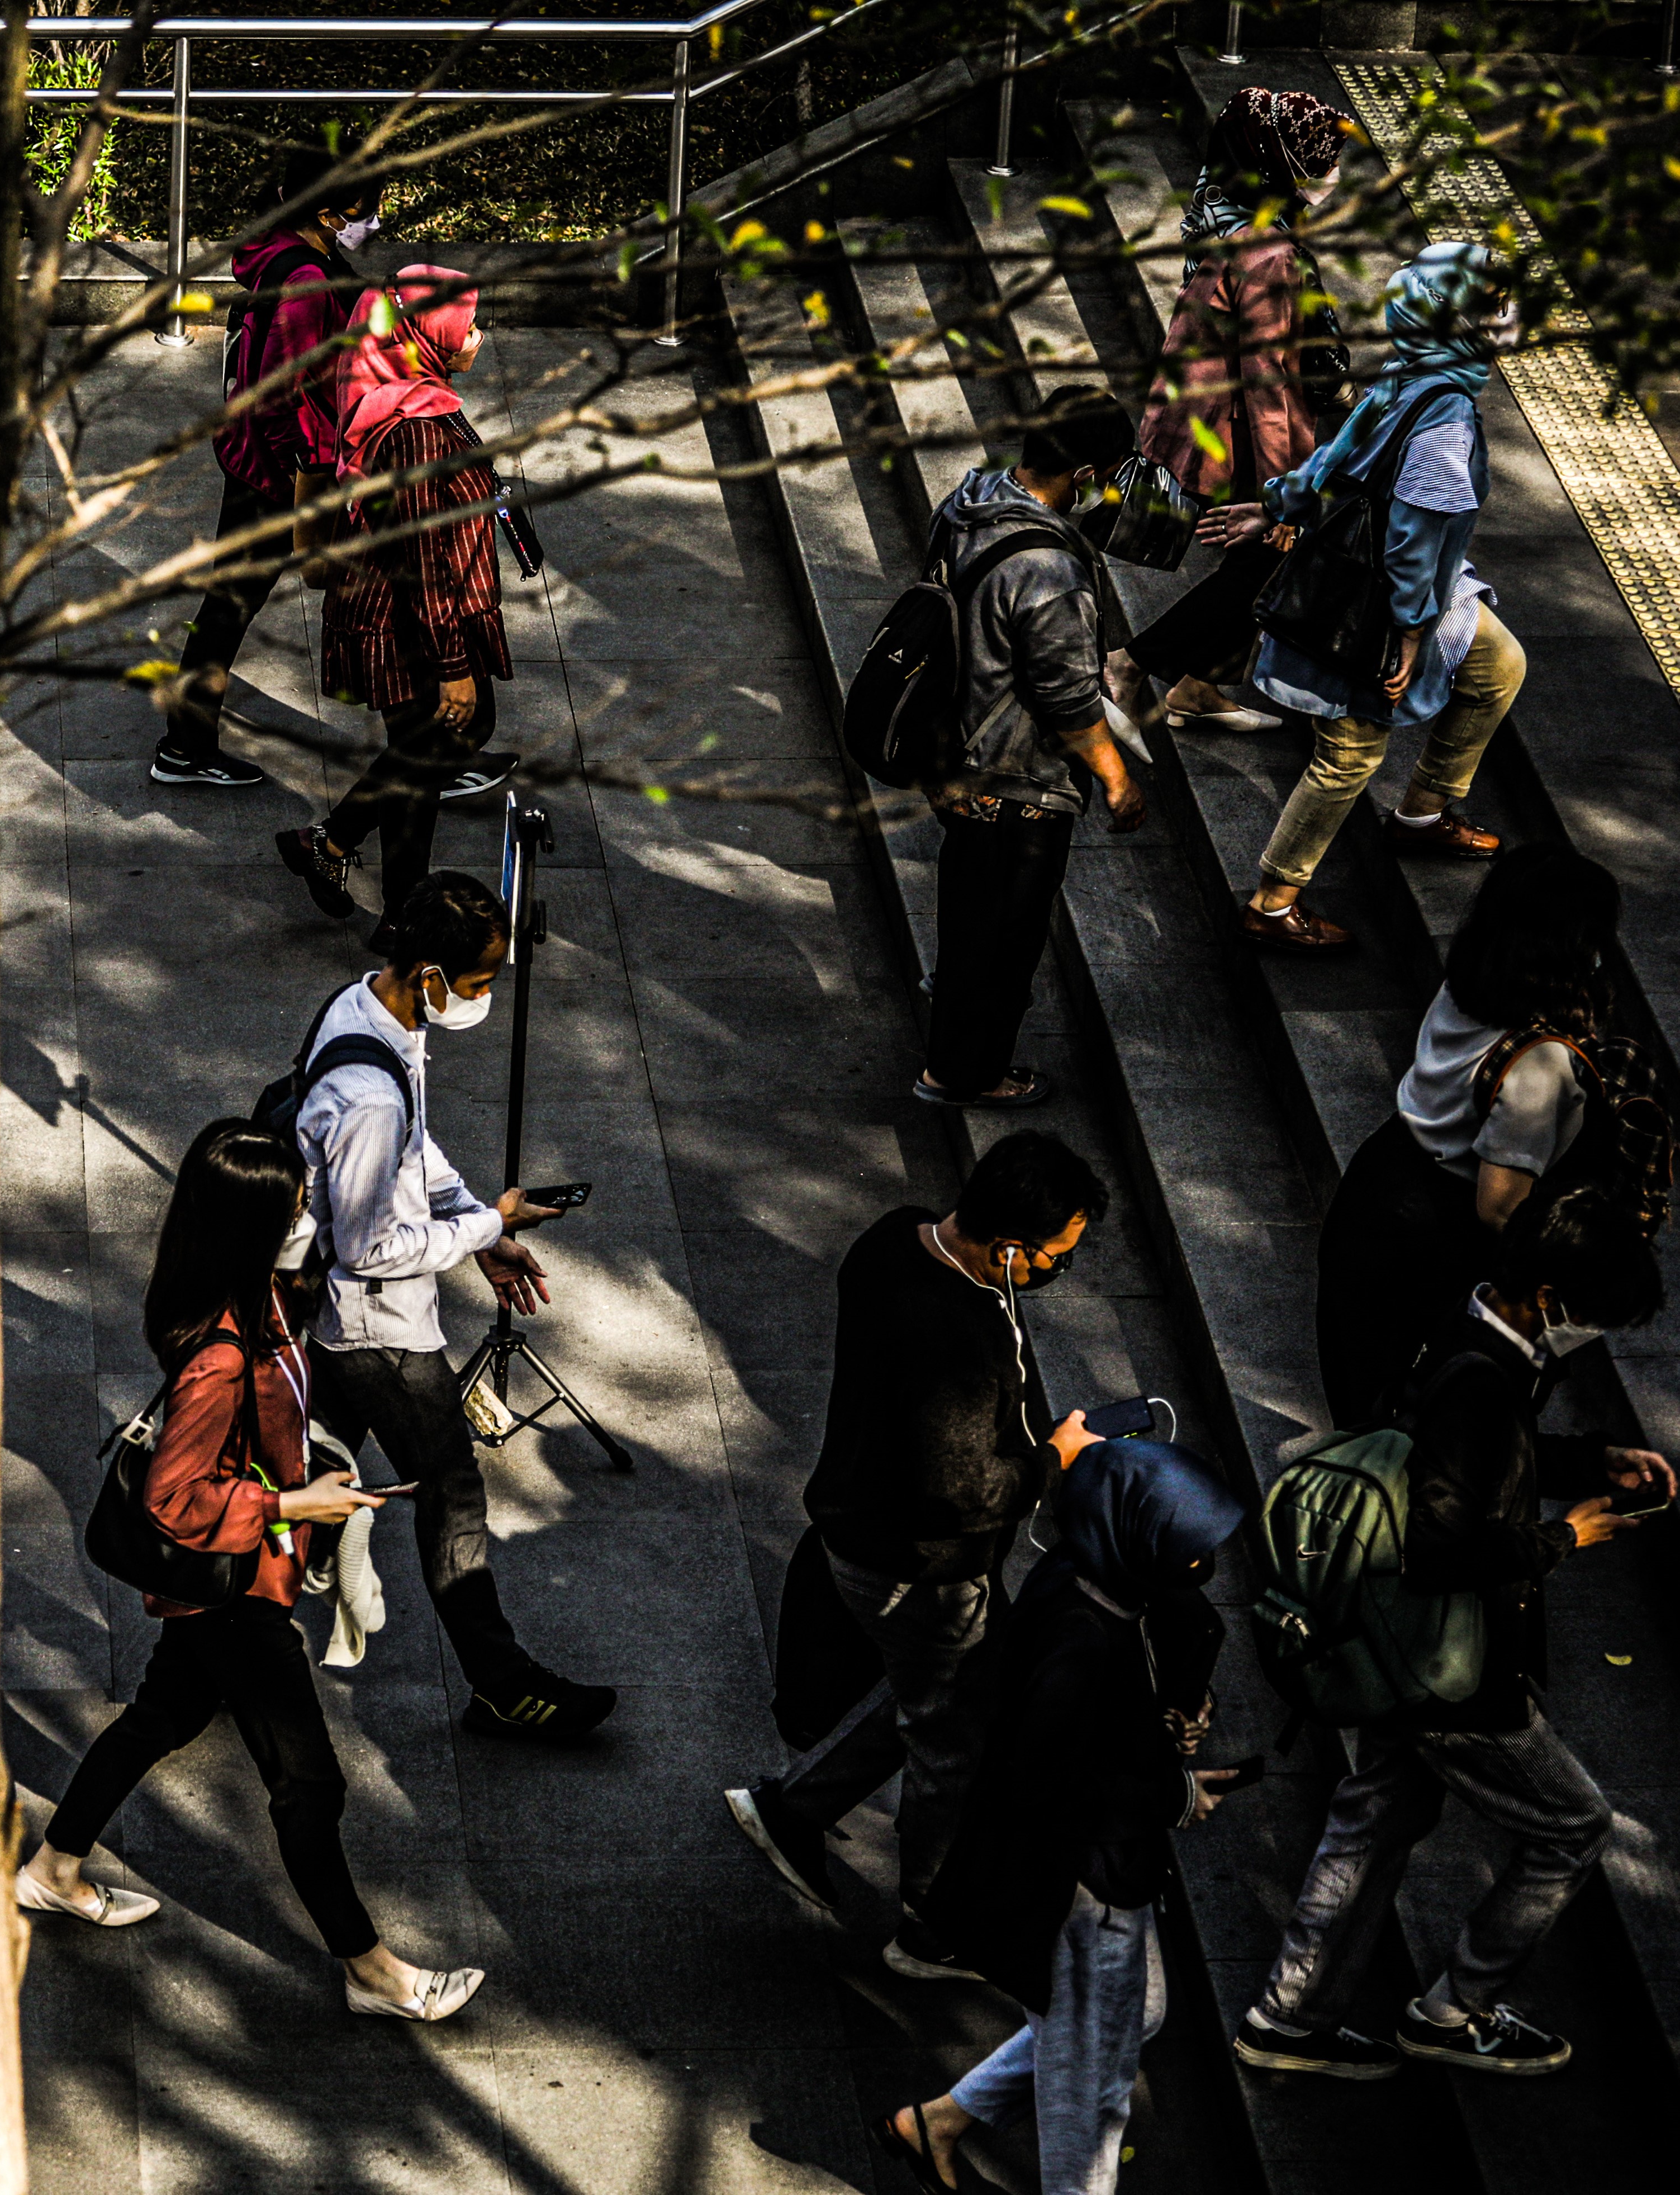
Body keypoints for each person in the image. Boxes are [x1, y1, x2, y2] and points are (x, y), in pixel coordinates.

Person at [17, 1121, 485, 2021]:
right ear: (252, 1225)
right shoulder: (222, 1354)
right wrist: (290, 1505)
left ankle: (52, 1865)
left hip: (235, 1582)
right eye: (296, 1204)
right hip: (232, 1591)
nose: (311, 1211)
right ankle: (373, 1971)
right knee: (309, 1782)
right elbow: (174, 1498)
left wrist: (307, 1467)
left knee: (163, 1714)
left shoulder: (249, 1298)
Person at [1235, 1186, 1674, 2080]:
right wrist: (1565, 1535)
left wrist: (1591, 1459)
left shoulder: (1469, 1329)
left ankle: (1289, 2015)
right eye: (1590, 1312)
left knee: (1375, 1816)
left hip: (1403, 1650)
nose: (1591, 1332)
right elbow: (1438, 1544)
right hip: (1452, 1660)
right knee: (1574, 1822)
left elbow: (1475, 1462)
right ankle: (1454, 2007)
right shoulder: (1482, 1373)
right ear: (1551, 1295)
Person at [726, 1130, 1110, 1979]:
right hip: (923, 1569)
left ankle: (793, 1807)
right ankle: (930, 1924)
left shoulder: (893, 1238)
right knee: (951, 1741)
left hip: (857, 1530)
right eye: (1053, 1259)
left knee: (940, 1695)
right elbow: (965, 1490)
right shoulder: (960, 1336)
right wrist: (1057, 1458)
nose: (1054, 1274)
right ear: (1009, 1247)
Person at [878, 1440, 1254, 2195]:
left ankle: (946, 2118)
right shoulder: (1081, 1638)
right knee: (1091, 2100)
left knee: (1135, 2015)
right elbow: (1052, 1780)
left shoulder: (1087, 1578)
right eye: (1185, 1551)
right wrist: (1175, 1793)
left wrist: (1178, 1712)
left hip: (1094, 1876)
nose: (1199, 1568)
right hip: (1082, 1892)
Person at [290, 872, 615, 1741]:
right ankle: (503, 1683)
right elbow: (370, 1246)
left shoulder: (370, 1013)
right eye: (476, 982)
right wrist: (486, 1221)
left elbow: (415, 1145)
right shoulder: (365, 1096)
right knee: (452, 1494)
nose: (483, 997)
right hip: (377, 1335)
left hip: (348, 1328)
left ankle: (218, 1634)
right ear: (429, 972)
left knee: (299, 1474)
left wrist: (479, 1228)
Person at [1208, 241, 1524, 955]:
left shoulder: (1414, 376)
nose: (1505, 319)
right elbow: (1413, 540)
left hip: (1385, 580)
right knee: (1348, 751)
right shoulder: (1444, 417)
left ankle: (1420, 814)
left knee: (1498, 668)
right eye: (1494, 308)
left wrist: (1280, 505)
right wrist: (1412, 633)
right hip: (1374, 603)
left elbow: (1334, 454)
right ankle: (1272, 901)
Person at [1316, 845, 1625, 1426]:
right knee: (1413, 1407)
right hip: (1433, 1227)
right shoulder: (1544, 1062)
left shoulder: (1477, 978)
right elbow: (1499, 1206)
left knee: (1360, 1377)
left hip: (1380, 1179)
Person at [915, 387, 1150, 1110]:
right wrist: (1116, 777)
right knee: (1004, 939)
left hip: (957, 751)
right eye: (1109, 471)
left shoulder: (975, 498)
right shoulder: (1049, 572)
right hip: (1015, 780)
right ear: (1083, 474)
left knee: (971, 908)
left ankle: (955, 1000)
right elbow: (1070, 700)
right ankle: (964, 1070)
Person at [276, 269, 517, 948]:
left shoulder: (411, 396)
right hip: (407, 624)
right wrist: (452, 667)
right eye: (466, 324)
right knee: (451, 735)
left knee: (417, 756)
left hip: (387, 611)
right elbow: (425, 564)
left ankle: (396, 909)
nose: (476, 336)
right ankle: (332, 841)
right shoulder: (416, 430)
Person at [1109, 86, 1355, 736]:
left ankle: (1197, 687)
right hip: (1239, 433)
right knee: (1274, 552)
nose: (1330, 176)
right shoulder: (1269, 255)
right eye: (1317, 161)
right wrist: (1285, 494)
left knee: (1262, 561)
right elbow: (1268, 382)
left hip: (1201, 416)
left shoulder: (1218, 206)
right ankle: (1130, 664)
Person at [150, 147, 378, 790]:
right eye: (363, 214)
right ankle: (185, 746)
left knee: (229, 602)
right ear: (329, 214)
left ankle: (184, 744)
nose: (371, 225)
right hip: (281, 474)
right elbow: (289, 395)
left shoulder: (283, 249)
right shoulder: (305, 286)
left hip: (252, 457)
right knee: (234, 605)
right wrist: (315, 473)